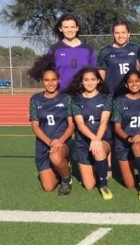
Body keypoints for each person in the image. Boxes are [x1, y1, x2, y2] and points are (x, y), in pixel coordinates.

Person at [28, 54, 75, 195]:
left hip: (63, 144)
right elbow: (35, 127)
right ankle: (60, 167)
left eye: (54, 80)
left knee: (55, 156)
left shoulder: (66, 99)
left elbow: (71, 126)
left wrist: (59, 142)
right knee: (49, 187)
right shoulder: (35, 99)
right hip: (44, 145)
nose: (50, 83)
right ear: (42, 81)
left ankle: (67, 180)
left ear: (59, 80)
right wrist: (50, 142)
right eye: (47, 80)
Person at [65, 67, 113, 200]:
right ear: (81, 82)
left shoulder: (106, 98)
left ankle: (103, 185)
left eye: (93, 79)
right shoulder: (75, 100)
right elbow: (80, 124)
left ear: (98, 80)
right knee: (89, 185)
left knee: (98, 150)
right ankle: (98, 168)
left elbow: (104, 122)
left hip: (102, 139)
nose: (89, 82)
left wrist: (97, 139)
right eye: (86, 80)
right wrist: (92, 138)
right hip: (83, 142)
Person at [112, 70, 140, 201]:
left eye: (137, 81)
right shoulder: (119, 101)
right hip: (124, 142)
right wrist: (129, 138)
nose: (134, 84)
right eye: (130, 81)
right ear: (126, 84)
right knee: (130, 185)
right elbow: (117, 127)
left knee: (137, 146)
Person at [48, 13, 97, 91]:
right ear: (60, 28)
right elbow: (49, 74)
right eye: (66, 27)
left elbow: (94, 74)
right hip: (62, 95)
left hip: (83, 95)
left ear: (77, 28)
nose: (69, 30)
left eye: (72, 27)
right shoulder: (54, 49)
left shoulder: (88, 49)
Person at [97, 21, 140, 93]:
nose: (120, 36)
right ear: (113, 34)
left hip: (131, 93)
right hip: (112, 93)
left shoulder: (136, 49)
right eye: (117, 33)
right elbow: (101, 75)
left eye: (123, 32)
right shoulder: (105, 51)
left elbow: (137, 69)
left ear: (128, 33)